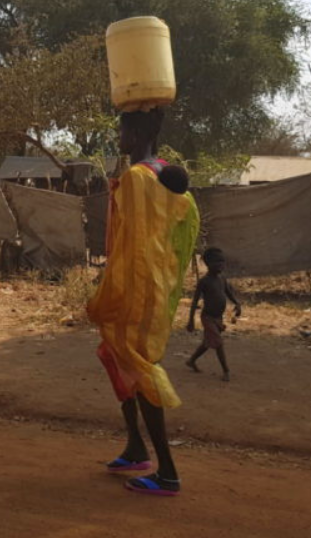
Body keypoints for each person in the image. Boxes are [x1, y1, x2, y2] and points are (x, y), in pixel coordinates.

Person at [87, 108, 199, 497]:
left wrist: (107, 293)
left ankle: (167, 472)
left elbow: (130, 248)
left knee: (138, 365)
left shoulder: (137, 177)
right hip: (155, 287)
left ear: (134, 134)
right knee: (115, 357)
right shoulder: (162, 171)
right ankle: (136, 448)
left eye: (121, 129)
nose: (118, 135)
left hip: (135, 288)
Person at [186, 247, 241, 382]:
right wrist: (191, 320)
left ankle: (191, 360)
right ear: (208, 263)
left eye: (222, 261)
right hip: (208, 317)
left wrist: (237, 304)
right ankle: (226, 370)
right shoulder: (204, 282)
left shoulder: (222, 278)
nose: (221, 264)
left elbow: (228, 292)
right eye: (218, 262)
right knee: (218, 343)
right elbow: (194, 302)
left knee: (207, 343)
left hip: (218, 318)